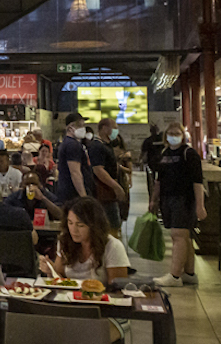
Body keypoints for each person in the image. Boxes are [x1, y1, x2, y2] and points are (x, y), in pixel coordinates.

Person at [41, 197, 130, 341]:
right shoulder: (65, 242)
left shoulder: (112, 247)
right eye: (70, 223)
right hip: (72, 308)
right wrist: (49, 270)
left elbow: (118, 291)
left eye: (80, 225)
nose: (73, 230)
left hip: (105, 311)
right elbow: (59, 278)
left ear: (94, 225)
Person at [150, 122, 206, 287]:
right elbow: (158, 180)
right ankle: (189, 273)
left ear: (183, 135)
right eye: (171, 133)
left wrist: (200, 205)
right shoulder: (164, 153)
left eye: (177, 133)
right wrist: (154, 199)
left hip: (184, 199)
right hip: (168, 199)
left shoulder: (189, 154)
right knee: (184, 237)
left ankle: (174, 276)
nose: (173, 136)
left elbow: (198, 182)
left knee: (178, 235)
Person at [91, 118, 127, 234]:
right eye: (114, 127)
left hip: (109, 192)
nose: (116, 131)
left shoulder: (106, 145)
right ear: (104, 128)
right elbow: (98, 170)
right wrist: (115, 186)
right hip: (104, 192)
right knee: (111, 225)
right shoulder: (97, 146)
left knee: (114, 224)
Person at [56, 112, 94, 202]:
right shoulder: (72, 145)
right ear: (70, 127)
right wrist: (83, 197)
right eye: (80, 126)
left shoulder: (67, 143)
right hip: (73, 194)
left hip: (67, 192)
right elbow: (75, 172)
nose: (83, 128)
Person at [140, 123, 165, 196]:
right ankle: (160, 193)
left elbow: (143, 152)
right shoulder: (162, 140)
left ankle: (152, 194)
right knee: (161, 179)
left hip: (152, 163)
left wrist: (141, 161)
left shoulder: (148, 140)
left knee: (151, 181)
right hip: (161, 162)